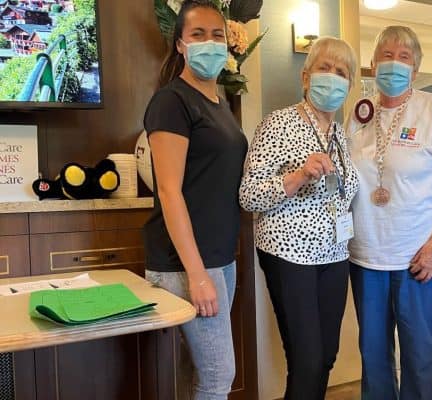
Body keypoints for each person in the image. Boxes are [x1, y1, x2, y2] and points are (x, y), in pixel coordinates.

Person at [345, 26, 432, 400]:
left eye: (404, 57)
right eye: (386, 55)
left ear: (415, 69)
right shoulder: (359, 113)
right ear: (373, 64)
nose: (394, 63)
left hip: (420, 258)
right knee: (373, 357)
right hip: (366, 256)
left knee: (420, 357)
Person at [239, 37, 358, 400]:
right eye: (325, 68)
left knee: (326, 356)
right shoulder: (278, 123)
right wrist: (299, 175)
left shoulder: (339, 134)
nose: (332, 77)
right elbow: (248, 195)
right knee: (307, 360)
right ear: (306, 77)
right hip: (290, 254)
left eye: (341, 72)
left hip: (334, 254)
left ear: (350, 85)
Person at [142, 1, 246, 399]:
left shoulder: (219, 103)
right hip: (187, 262)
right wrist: (197, 274)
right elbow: (169, 191)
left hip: (219, 257)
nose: (209, 42)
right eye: (198, 34)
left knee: (201, 374)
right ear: (180, 44)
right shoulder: (172, 101)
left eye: (217, 35)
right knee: (219, 376)